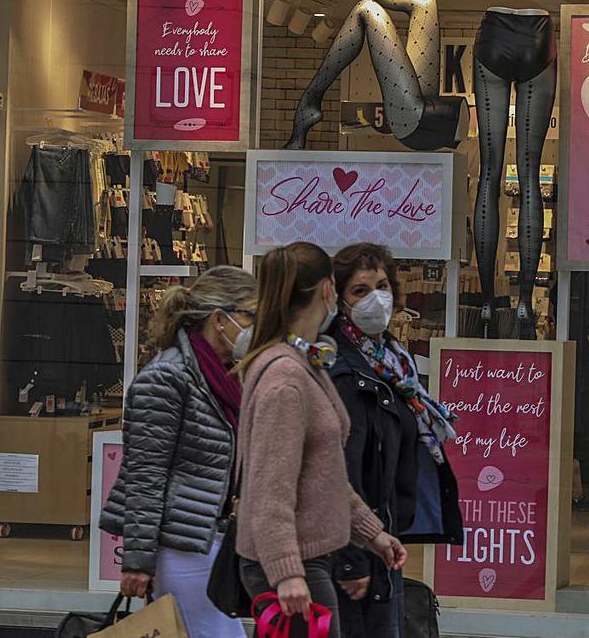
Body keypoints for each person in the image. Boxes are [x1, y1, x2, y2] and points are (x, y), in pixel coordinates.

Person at [235, 242, 408, 638]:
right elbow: (268, 489)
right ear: (330, 290)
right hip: (296, 562)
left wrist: (371, 532)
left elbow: (324, 471)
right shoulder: (286, 379)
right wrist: (287, 573)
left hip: (310, 556)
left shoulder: (302, 363)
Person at [100, 265, 257, 637]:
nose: (258, 327)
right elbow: (145, 474)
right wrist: (139, 562)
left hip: (213, 540)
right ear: (220, 319)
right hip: (180, 547)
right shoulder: (167, 377)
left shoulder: (224, 376)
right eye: (252, 315)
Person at [328, 243, 464, 637]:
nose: (376, 299)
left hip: (386, 539)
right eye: (360, 290)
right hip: (358, 547)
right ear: (337, 298)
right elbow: (342, 472)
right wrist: (352, 559)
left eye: (382, 286)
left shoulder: (391, 362)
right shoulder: (342, 367)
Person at [284, 0, 467, 152]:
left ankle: (309, 102)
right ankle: (309, 103)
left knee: (367, 9)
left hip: (416, 121)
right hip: (426, 115)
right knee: (425, 2)